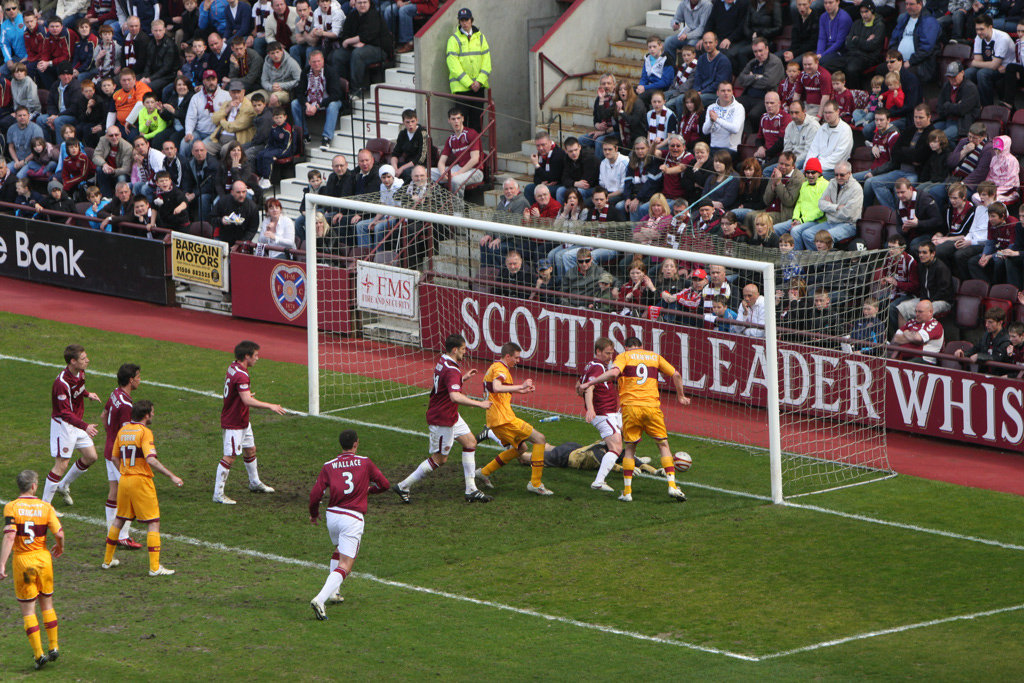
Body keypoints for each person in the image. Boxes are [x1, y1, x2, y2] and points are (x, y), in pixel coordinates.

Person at [579, 336, 690, 502]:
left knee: (629, 448)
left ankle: (627, 492)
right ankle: (672, 486)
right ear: (642, 346)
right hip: (652, 407)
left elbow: (614, 373)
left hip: (630, 408)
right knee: (663, 445)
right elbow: (677, 375)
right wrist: (681, 396)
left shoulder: (624, 357)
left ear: (626, 348)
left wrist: (590, 383)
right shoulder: (654, 356)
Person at [391, 334, 493, 504]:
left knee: (470, 442)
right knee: (440, 459)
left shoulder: (443, 361)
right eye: (463, 349)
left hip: (450, 414)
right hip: (442, 418)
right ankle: (403, 486)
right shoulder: (452, 369)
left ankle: (471, 490)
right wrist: (480, 404)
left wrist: (462, 378)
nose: (464, 352)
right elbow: (454, 396)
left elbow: (446, 383)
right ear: (455, 349)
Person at [308, 429, 390, 620]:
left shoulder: (328, 466)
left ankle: (334, 592)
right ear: (356, 443)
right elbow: (384, 484)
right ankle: (320, 599)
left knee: (338, 549)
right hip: (352, 518)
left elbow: (315, 495)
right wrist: (368, 491)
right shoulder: (365, 462)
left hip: (332, 516)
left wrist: (313, 514)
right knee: (346, 564)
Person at [101, 400, 183, 576]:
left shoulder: (122, 431)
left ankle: (107, 561)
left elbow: (114, 457)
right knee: (153, 522)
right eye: (152, 412)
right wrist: (172, 476)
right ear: (146, 415)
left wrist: (124, 472)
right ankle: (154, 568)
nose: (153, 414)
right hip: (141, 481)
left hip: (124, 480)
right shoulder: (145, 432)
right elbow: (150, 459)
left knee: (120, 519)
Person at [0, 470, 64, 670]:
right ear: (35, 485)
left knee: (28, 609)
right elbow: (59, 533)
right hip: (44, 561)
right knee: (47, 604)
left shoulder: (12, 507)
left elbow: (10, 536)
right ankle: (53, 646)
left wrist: (1, 563)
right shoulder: (46, 507)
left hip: (24, 563)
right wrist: (60, 546)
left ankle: (39, 655)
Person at [474, 342, 553, 496]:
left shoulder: (495, 367)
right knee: (539, 439)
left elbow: (498, 392)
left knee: (521, 448)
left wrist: (522, 391)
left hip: (497, 420)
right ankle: (535, 484)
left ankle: (484, 472)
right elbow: (497, 386)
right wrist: (520, 385)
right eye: (516, 358)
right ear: (507, 356)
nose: (518, 361)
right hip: (504, 419)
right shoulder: (500, 369)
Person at [214, 340, 286, 505]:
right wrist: (270, 406)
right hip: (234, 422)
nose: (258, 358)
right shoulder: (242, 374)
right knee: (230, 456)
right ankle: (218, 494)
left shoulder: (233, 366)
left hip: (242, 419)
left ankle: (254, 483)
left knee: (250, 449)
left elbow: (238, 392)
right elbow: (246, 401)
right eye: (256, 355)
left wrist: (243, 393)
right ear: (247, 356)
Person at [42, 344, 101, 512]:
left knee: (90, 457)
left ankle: (64, 485)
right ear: (73, 361)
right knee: (61, 464)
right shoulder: (61, 383)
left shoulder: (80, 372)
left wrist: (87, 394)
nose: (87, 360)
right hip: (64, 425)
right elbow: (65, 413)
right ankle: (44, 506)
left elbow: (78, 388)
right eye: (83, 359)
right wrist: (86, 426)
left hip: (76, 422)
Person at [98, 363, 143, 550]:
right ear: (131, 379)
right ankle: (122, 535)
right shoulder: (126, 404)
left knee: (114, 492)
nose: (140, 379)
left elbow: (103, 416)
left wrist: (110, 436)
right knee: (130, 494)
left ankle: (112, 533)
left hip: (109, 450)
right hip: (118, 456)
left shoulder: (115, 394)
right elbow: (126, 434)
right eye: (139, 376)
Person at [577, 337, 624, 492]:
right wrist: (590, 408)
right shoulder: (598, 366)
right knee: (616, 446)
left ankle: (630, 459)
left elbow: (579, 385)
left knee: (630, 429)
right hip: (603, 413)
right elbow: (589, 388)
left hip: (611, 411)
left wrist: (582, 393)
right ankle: (599, 481)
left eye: (611, 353)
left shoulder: (591, 364)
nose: (610, 356)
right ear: (598, 351)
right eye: (607, 353)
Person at [445, 7, 489, 133]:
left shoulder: (481, 37)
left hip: (478, 88)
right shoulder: (453, 40)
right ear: (459, 22)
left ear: (471, 20)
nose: (464, 23)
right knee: (461, 124)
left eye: (466, 20)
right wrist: (470, 83)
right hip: (462, 89)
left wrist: (479, 81)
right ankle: (464, 151)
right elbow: (453, 65)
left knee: (477, 123)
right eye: (462, 20)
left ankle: (475, 151)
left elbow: (487, 62)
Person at [896, 242, 955, 324]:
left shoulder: (941, 268)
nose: (921, 255)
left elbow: (944, 291)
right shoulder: (921, 266)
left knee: (923, 311)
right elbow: (922, 287)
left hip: (942, 301)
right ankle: (902, 335)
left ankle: (921, 335)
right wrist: (923, 300)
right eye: (919, 252)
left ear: (933, 253)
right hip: (925, 299)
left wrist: (928, 302)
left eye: (924, 252)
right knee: (902, 308)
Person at [431, 106, 483, 197]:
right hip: (458, 168)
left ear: (463, 119)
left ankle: (457, 210)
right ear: (449, 120)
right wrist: (443, 173)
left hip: (475, 170)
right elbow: (441, 161)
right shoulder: (451, 139)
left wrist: (458, 173)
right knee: (425, 172)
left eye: (458, 118)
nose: (456, 121)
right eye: (453, 119)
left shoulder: (471, 133)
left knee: (455, 181)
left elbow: (475, 159)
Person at [966, 14, 1014, 107]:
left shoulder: (1002, 38)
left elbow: (991, 65)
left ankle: (987, 107)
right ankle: (971, 105)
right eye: (977, 29)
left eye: (981, 29)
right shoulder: (979, 38)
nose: (979, 32)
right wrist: (981, 63)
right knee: (968, 72)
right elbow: (978, 61)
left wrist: (978, 63)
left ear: (990, 27)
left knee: (982, 74)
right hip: (993, 67)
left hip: (1005, 69)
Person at [888, 0, 940, 84]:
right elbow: (894, 39)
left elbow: (926, 48)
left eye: (911, 4)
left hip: (920, 64)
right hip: (901, 61)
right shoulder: (904, 20)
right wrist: (895, 58)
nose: (908, 7)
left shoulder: (929, 21)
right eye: (906, 4)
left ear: (920, 4)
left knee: (904, 74)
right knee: (882, 69)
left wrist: (910, 61)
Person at [955, 307, 1011, 371]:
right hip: (983, 373)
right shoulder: (986, 334)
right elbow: (975, 349)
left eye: (990, 322)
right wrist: (963, 354)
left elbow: (998, 357)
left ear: (1000, 322)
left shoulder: (1006, 339)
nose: (986, 325)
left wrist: (979, 356)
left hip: (998, 375)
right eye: (986, 321)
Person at [934, 62, 979, 141]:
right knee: (927, 134)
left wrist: (947, 105)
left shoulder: (970, 88)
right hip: (945, 120)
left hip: (961, 124)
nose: (951, 79)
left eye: (954, 76)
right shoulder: (946, 86)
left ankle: (952, 152)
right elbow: (939, 108)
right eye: (949, 76)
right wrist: (954, 107)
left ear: (962, 73)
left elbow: (961, 110)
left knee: (941, 138)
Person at [892, 299, 944, 363]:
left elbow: (918, 338)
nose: (917, 314)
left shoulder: (935, 325)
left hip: (924, 360)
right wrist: (912, 336)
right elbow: (897, 338)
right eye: (916, 311)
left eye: (920, 312)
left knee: (904, 365)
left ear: (930, 312)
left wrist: (906, 333)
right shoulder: (912, 322)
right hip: (904, 357)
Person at [701, 80, 744, 155]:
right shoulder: (711, 107)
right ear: (717, 93)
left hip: (730, 150)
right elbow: (705, 131)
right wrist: (711, 121)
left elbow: (735, 129)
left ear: (732, 92)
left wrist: (717, 120)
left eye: (728, 90)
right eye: (723, 91)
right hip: (713, 147)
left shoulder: (738, 107)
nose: (726, 93)